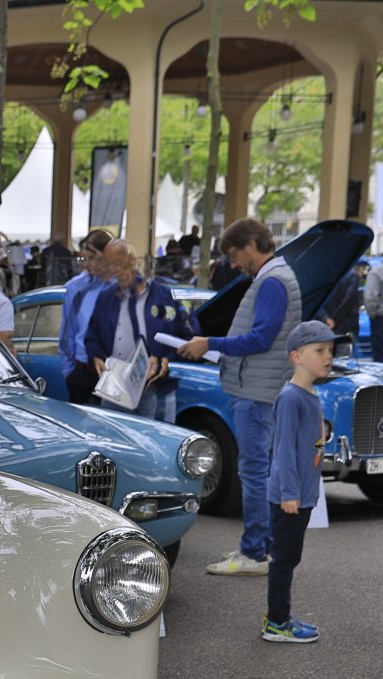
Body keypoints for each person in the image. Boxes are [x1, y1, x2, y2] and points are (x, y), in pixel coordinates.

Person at [178, 218, 302, 577]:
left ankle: (253, 552)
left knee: (254, 471)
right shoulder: (278, 276)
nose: (233, 264)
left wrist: (210, 343)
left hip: (256, 390)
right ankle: (260, 546)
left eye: (234, 255)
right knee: (261, 470)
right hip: (263, 386)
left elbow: (261, 338)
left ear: (250, 245)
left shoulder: (271, 280)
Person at [261, 321, 336, 643]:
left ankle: (279, 617)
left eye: (330, 350)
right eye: (319, 350)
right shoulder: (291, 398)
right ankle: (277, 623)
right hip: (288, 497)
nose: (328, 356)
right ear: (297, 356)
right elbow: (283, 451)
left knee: (289, 557)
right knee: (284, 559)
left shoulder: (309, 394)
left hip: (301, 495)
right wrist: (290, 493)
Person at [84, 239, 192, 421]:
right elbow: (91, 337)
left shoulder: (164, 296)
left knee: (157, 438)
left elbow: (186, 339)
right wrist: (96, 357)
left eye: (118, 263)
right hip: (114, 389)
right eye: (109, 265)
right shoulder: (105, 298)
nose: (114, 271)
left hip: (156, 389)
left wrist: (166, 359)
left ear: (132, 260)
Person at [59, 229, 114, 405]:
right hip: (81, 370)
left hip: (112, 371)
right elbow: (68, 330)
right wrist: (69, 370)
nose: (87, 264)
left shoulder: (120, 286)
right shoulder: (75, 287)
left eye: (92, 258)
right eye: (83, 258)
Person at [321, 262, 361, 354]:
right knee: (344, 356)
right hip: (345, 324)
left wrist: (326, 318)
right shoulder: (352, 275)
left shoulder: (322, 275)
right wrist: (334, 319)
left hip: (326, 325)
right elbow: (349, 300)